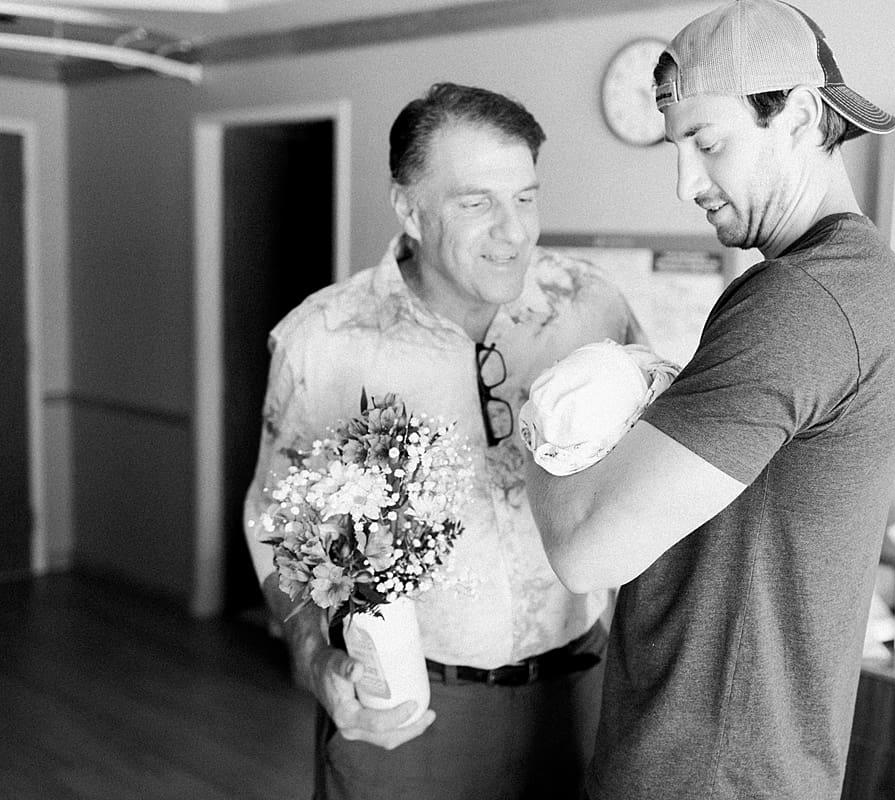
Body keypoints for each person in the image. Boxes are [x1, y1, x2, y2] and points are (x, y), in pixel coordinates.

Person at [524, 2, 895, 799]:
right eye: (677, 150)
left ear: (803, 116)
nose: (685, 184)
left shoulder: (801, 302)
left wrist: (546, 421)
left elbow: (584, 551)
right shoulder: (871, 281)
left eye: (707, 143)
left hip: (704, 769)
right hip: (761, 760)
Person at [243, 82, 645, 800]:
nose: (514, 232)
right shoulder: (323, 340)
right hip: (406, 714)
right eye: (476, 202)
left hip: (579, 696)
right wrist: (317, 663)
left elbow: (646, 475)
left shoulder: (591, 306)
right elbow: (279, 531)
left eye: (525, 198)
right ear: (409, 208)